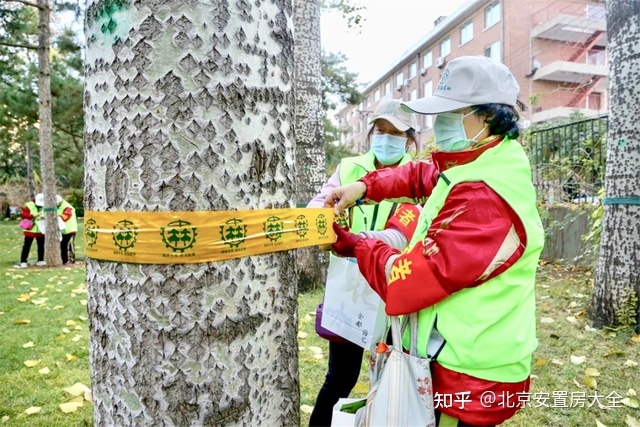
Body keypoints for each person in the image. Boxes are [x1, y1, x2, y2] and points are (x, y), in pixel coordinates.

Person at [325, 56, 545, 427]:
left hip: (471, 373)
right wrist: (363, 186)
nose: (439, 124)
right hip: (461, 358)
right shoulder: (484, 160)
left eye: (449, 113)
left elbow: (408, 283)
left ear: (487, 117)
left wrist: (360, 246)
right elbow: (421, 174)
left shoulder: (483, 198)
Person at [307, 99, 422, 426]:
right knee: (340, 377)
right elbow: (319, 205)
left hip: (395, 288)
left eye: (395, 132)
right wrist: (326, 217)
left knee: (392, 376)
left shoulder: (417, 177)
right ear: (371, 133)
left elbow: (401, 233)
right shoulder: (351, 168)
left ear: (408, 140)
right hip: (351, 288)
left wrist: (354, 243)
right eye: (380, 131)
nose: (386, 138)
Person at [18, 193, 46, 268]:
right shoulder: (29, 205)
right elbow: (24, 215)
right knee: (27, 245)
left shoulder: (45, 205)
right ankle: (23, 261)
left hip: (40, 229)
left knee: (41, 245)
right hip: (30, 229)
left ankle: (40, 260)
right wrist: (33, 215)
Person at [57, 195, 78, 265]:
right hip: (63, 229)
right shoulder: (59, 207)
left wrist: (56, 217)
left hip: (70, 229)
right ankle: (64, 260)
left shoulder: (67, 207)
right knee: (63, 245)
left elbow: (65, 217)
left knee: (69, 245)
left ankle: (71, 260)